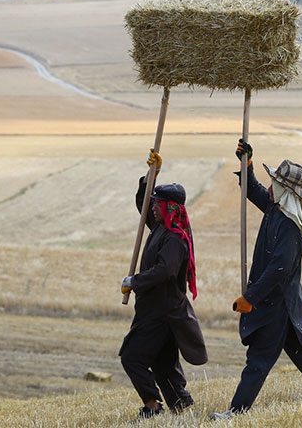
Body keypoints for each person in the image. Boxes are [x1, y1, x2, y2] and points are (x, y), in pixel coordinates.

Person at [211, 140, 302, 420]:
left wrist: (250, 298)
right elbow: (254, 192)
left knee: (258, 360)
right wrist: (246, 164)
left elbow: (280, 269)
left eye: (275, 183)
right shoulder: (278, 207)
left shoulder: (289, 223)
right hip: (283, 303)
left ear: (285, 189)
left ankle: (235, 412)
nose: (270, 187)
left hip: (278, 305)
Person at [119, 149, 207, 420]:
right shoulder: (161, 226)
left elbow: (166, 271)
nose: (153, 207)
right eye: (154, 202)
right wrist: (150, 176)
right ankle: (181, 406)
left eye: (158, 203)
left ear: (170, 207)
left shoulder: (174, 237)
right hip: (162, 311)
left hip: (161, 311)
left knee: (131, 356)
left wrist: (134, 281)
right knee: (163, 362)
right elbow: (142, 205)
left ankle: (152, 406)